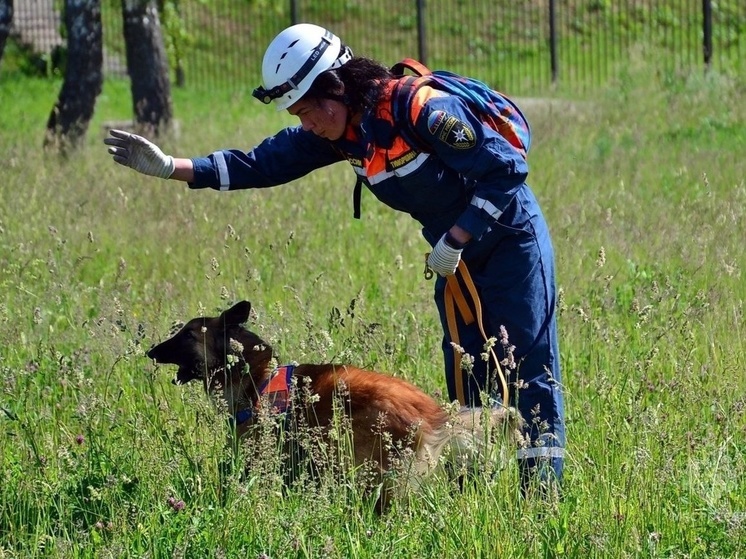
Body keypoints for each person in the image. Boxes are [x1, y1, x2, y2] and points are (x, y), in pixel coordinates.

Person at [104, 23, 565, 494]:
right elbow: (261, 164)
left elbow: (508, 167)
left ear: (335, 88)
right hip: (455, 259)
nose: (304, 123)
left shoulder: (419, 109)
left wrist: (460, 235)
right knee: (468, 371)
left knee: (530, 368)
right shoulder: (339, 132)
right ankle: (474, 497)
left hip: (510, 241)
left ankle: (542, 498)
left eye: (305, 111)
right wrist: (170, 167)